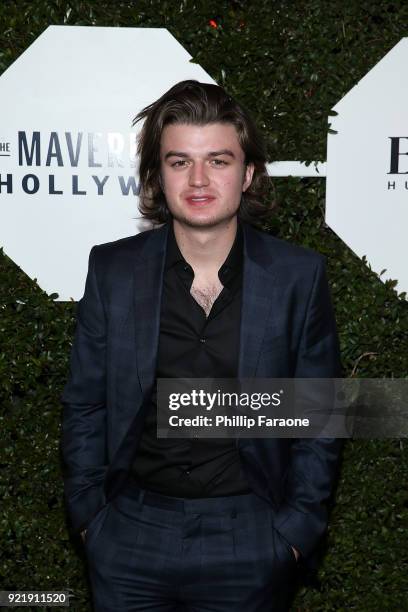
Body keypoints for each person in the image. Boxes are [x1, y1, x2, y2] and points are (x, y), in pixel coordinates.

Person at [61, 80, 342, 611]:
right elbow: (85, 404)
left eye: (217, 160)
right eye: (178, 161)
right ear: (157, 175)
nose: (197, 180)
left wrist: (295, 532)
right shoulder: (113, 270)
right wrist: (90, 520)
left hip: (250, 534)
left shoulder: (297, 276)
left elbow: (319, 414)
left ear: (248, 173)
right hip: (130, 532)